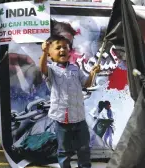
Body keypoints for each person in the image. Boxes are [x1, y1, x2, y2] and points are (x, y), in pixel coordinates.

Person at [39, 35, 100, 168]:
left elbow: (87, 84)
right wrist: (43, 52)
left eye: (65, 47)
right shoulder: (51, 69)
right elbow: (42, 68)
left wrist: (92, 73)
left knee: (84, 148)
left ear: (69, 51)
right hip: (62, 119)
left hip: (79, 118)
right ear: (50, 53)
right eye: (58, 47)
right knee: (64, 151)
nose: (62, 50)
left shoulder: (75, 68)